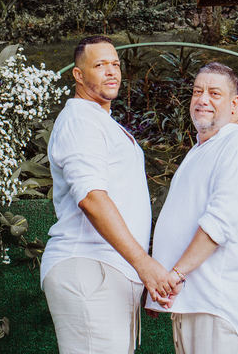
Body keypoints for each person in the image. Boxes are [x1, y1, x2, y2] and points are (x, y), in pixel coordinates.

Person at [41, 35, 173, 354]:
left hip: (109, 271)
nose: (111, 71)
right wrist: (143, 264)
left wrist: (138, 272)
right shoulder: (81, 120)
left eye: (115, 64)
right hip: (89, 266)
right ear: (78, 74)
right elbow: (91, 198)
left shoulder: (101, 122)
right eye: (100, 65)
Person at [147, 62, 238, 354]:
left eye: (214, 93)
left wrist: (174, 276)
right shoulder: (201, 150)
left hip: (219, 305)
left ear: (234, 104)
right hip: (191, 301)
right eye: (197, 91)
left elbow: (220, 224)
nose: (203, 99)